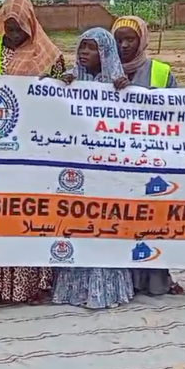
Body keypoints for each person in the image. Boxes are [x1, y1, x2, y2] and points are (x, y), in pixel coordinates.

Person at [0, 0, 64, 311]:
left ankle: (32, 285)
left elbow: (63, 104)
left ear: (30, 23)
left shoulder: (50, 56)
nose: (12, 33)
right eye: (8, 27)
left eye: (19, 27)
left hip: (35, 155)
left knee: (31, 217)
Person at [54, 28, 135, 309]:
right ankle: (73, 289)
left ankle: (108, 289)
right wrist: (59, 87)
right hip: (76, 175)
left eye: (91, 48)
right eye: (81, 47)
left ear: (105, 53)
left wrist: (128, 92)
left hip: (107, 173)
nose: (83, 53)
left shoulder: (120, 87)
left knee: (105, 229)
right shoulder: (70, 83)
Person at [111, 15, 183, 296]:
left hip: (151, 159)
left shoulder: (161, 72)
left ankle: (155, 280)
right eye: (118, 40)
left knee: (152, 221)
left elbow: (180, 114)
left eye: (130, 39)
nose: (124, 45)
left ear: (142, 40)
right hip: (112, 161)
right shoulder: (101, 70)